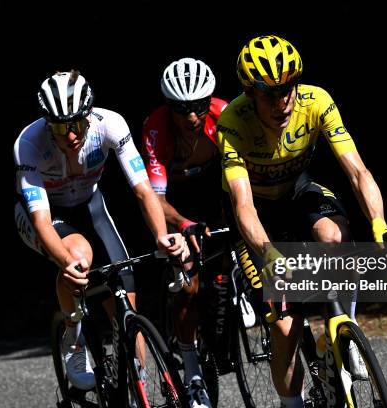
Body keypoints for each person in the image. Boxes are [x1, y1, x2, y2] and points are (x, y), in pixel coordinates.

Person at [217, 35, 387, 408]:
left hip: (298, 192)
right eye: (268, 93)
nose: (281, 101)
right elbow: (242, 205)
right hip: (257, 215)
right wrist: (268, 253)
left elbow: (357, 171)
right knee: (286, 328)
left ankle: (344, 332)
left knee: (335, 237)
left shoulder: (317, 101)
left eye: (287, 88)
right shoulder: (232, 121)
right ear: (248, 93)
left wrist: (380, 224)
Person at [14, 70, 189, 391]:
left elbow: (143, 190)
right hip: (44, 215)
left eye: (76, 125)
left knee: (124, 292)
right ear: (46, 122)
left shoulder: (110, 124)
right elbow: (41, 220)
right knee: (79, 258)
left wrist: (162, 236)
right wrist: (65, 264)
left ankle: (132, 385)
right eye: (59, 127)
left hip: (90, 206)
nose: (70, 136)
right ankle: (74, 337)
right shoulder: (29, 143)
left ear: (89, 116)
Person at [141, 57, 229, 408]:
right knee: (188, 283)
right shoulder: (157, 129)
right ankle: (192, 375)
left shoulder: (224, 116)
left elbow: (243, 180)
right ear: (169, 106)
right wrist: (181, 225)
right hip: (174, 204)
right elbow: (154, 197)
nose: (191, 116)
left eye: (198, 107)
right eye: (181, 108)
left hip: (214, 191)